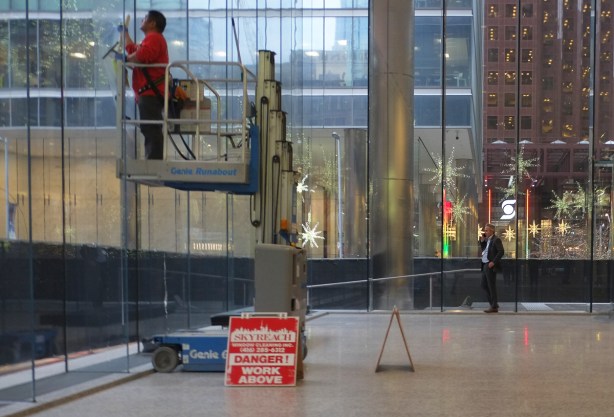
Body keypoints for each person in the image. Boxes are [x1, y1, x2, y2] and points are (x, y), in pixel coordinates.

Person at [123, 10, 169, 159]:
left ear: (152, 23)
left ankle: (154, 161)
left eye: (144, 18)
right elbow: (134, 50)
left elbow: (141, 56)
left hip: (150, 93)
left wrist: (126, 59)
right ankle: (153, 159)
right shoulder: (151, 40)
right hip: (149, 92)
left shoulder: (154, 38)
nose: (141, 20)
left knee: (150, 127)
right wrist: (124, 33)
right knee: (149, 127)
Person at [479, 223, 504, 313]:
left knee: (491, 286)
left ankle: (493, 306)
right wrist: (482, 242)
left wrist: (493, 262)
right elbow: (484, 251)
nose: (485, 232)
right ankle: (494, 303)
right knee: (484, 285)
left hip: (490, 265)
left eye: (486, 230)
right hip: (485, 264)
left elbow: (501, 252)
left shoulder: (496, 240)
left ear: (492, 231)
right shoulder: (488, 240)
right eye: (485, 230)